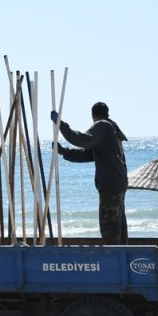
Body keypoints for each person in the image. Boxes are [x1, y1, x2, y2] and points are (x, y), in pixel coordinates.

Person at [53, 102, 128, 245]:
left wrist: (60, 125)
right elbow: (88, 154)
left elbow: (82, 140)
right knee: (118, 227)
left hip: (110, 185)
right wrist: (64, 152)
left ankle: (113, 262)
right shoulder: (112, 128)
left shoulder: (103, 125)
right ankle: (122, 262)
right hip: (118, 184)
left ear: (93, 115)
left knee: (110, 229)